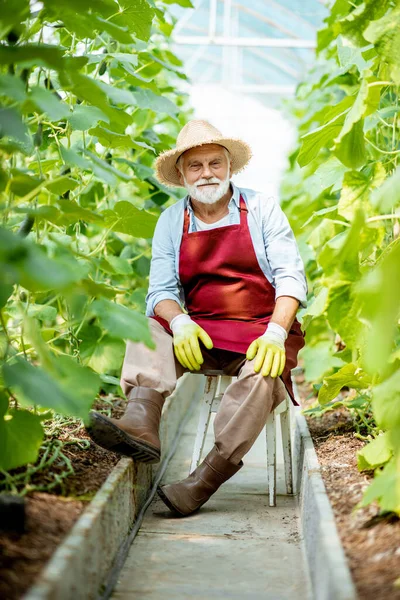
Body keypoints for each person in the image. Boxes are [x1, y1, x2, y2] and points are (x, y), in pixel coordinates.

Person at [87, 119, 307, 517]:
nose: (206, 173)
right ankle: (141, 422)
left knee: (262, 376)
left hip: (261, 330)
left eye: (214, 163)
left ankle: (204, 480)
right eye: (195, 166)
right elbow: (161, 292)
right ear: (183, 174)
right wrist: (180, 323)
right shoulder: (172, 221)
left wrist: (277, 332)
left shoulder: (260, 208)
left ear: (228, 167)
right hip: (203, 331)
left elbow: (291, 277)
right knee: (148, 324)